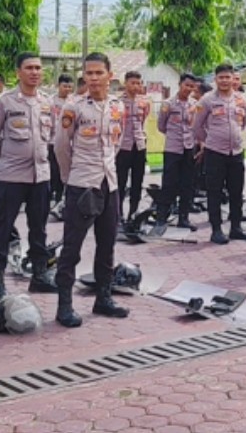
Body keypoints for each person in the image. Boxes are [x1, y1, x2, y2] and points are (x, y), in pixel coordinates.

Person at [52, 52, 128, 327]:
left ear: (109, 75)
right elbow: (61, 146)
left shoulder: (118, 106)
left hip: (110, 185)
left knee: (107, 245)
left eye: (99, 73)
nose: (94, 78)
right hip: (82, 185)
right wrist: (69, 176)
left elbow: (117, 144)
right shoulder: (74, 108)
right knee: (72, 248)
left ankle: (103, 298)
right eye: (89, 73)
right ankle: (64, 305)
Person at [0, 52, 56, 296]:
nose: (35, 72)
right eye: (29, 68)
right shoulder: (4, 102)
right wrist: (9, 157)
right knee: (2, 229)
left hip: (40, 176)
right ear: (18, 72)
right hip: (12, 177)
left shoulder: (47, 103)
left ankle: (39, 274)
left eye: (38, 68)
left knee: (39, 229)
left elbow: (52, 136)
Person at [193, 63, 246, 244]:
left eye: (228, 77)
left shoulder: (242, 99)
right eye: (221, 77)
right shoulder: (207, 100)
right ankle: (216, 229)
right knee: (214, 192)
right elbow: (197, 126)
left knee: (236, 192)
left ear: (234, 79)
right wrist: (207, 142)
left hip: (237, 152)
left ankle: (236, 227)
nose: (225, 81)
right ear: (215, 79)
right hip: (215, 152)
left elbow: (244, 122)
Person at [155, 73, 199, 232]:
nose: (189, 89)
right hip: (173, 148)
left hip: (189, 147)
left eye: (192, 86)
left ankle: (184, 218)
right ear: (180, 84)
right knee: (168, 184)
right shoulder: (168, 104)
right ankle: (161, 218)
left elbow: (197, 125)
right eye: (186, 85)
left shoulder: (195, 104)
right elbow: (161, 125)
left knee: (187, 184)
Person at [116, 71, 150, 223]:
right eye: (133, 83)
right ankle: (118, 214)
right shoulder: (117, 102)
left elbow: (143, 120)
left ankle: (133, 212)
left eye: (138, 83)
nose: (136, 86)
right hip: (123, 146)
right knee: (120, 182)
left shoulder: (144, 102)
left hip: (139, 145)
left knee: (138, 181)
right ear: (125, 84)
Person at [49, 74, 75, 206]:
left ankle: (63, 200)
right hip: (52, 141)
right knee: (53, 172)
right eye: (65, 86)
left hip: (70, 143)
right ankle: (53, 197)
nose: (68, 89)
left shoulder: (75, 102)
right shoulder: (50, 102)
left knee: (66, 173)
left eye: (70, 86)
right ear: (58, 86)